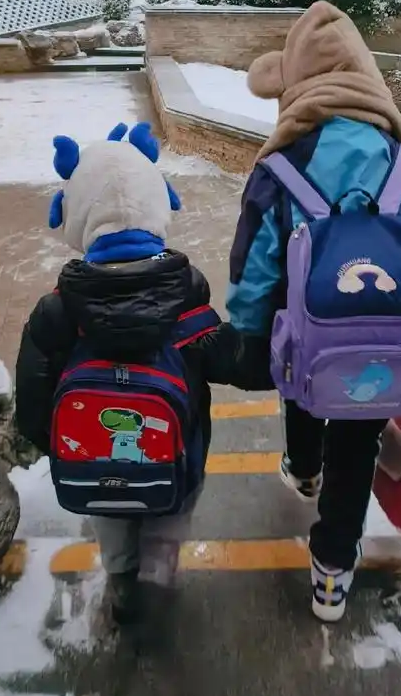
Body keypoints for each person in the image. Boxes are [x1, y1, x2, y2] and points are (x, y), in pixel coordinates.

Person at [226, 1, 401, 622]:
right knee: (356, 447)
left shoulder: (281, 168)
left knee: (301, 389)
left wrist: (248, 331)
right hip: (386, 350)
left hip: (307, 342)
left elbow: (254, 264)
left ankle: (303, 469)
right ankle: (332, 572)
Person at [15, 121, 260, 624]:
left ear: (74, 215)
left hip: (94, 468)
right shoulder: (186, 302)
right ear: (159, 204)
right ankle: (158, 575)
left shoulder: (59, 313)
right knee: (169, 516)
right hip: (177, 458)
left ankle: (123, 582)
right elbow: (235, 361)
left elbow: (33, 401)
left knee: (110, 520)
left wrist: (67, 446)